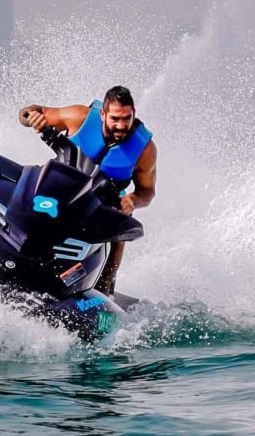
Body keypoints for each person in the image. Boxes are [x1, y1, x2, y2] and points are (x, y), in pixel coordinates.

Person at [18, 85, 156, 295]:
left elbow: (147, 192)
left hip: (101, 204)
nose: (121, 126)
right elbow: (29, 112)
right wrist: (30, 117)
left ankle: (103, 289)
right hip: (59, 188)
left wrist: (133, 200)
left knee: (119, 235)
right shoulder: (79, 117)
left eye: (126, 119)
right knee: (26, 183)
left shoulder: (145, 150)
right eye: (114, 119)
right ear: (102, 114)